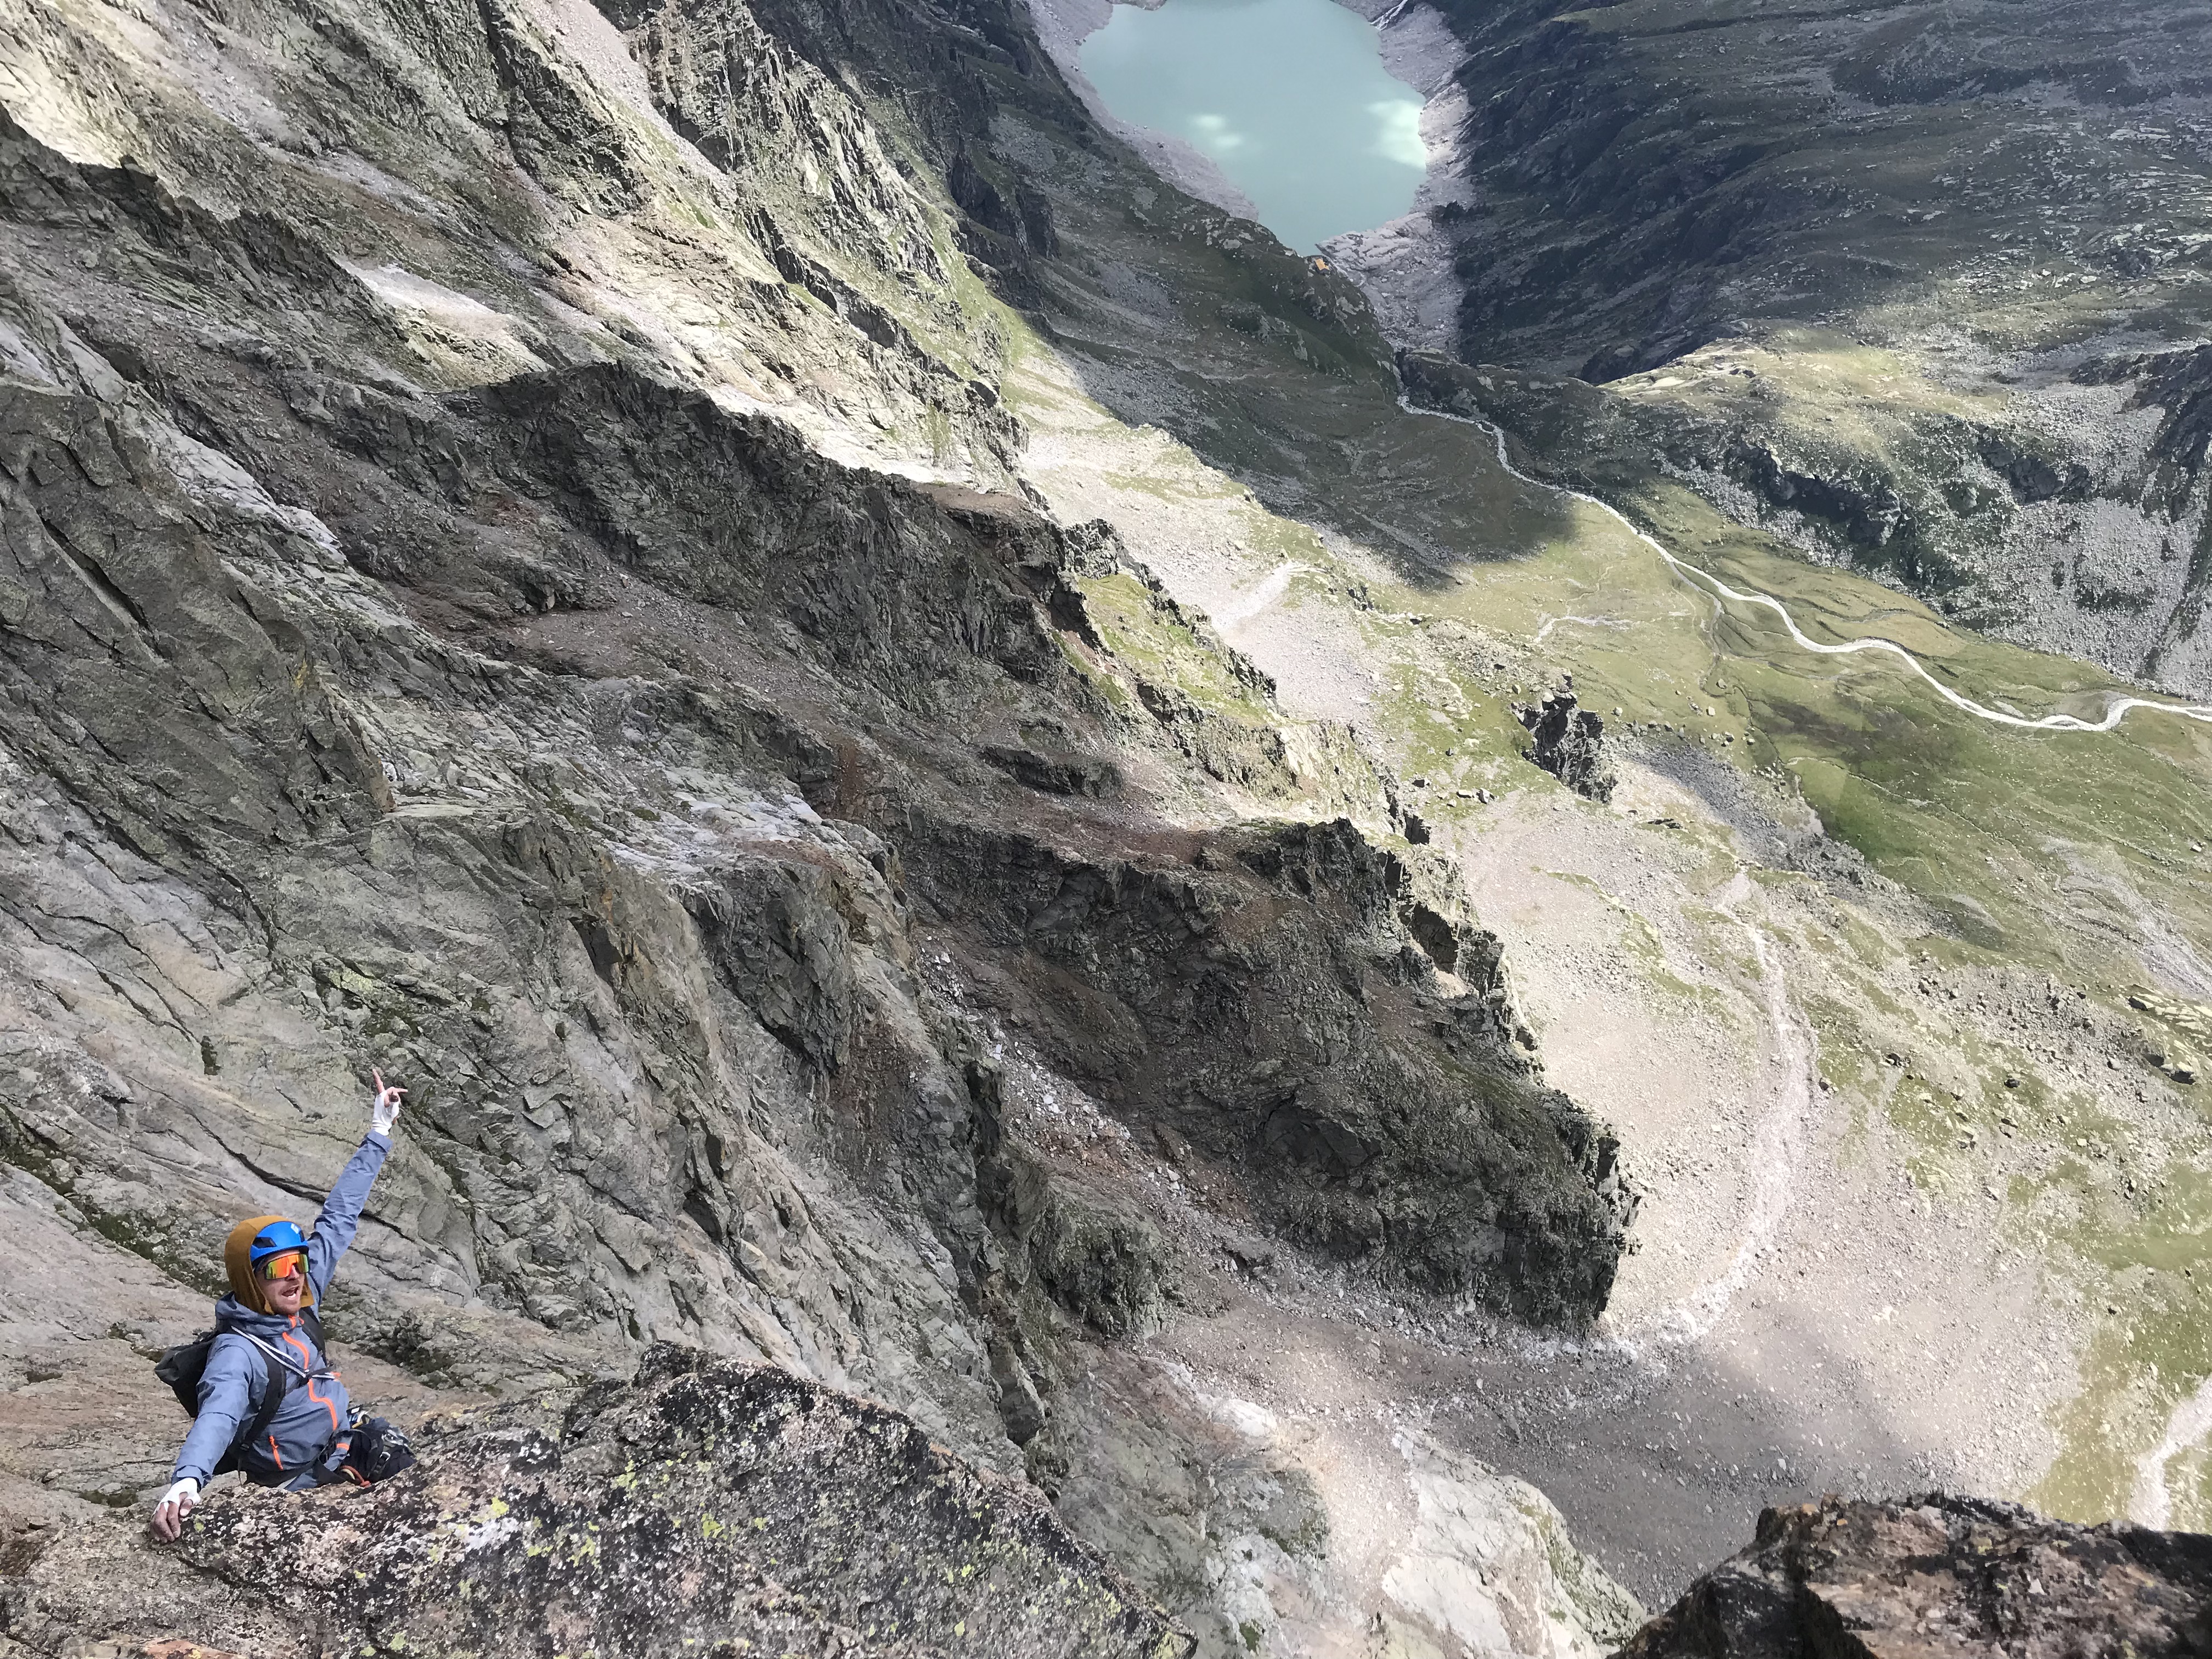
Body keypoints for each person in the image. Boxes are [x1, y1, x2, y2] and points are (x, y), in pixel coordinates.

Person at [150, 1069, 409, 1541]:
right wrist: (186, 1481)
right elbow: (219, 1417)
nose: (293, 1274)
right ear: (251, 1281)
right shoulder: (237, 1354)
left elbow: (339, 1218)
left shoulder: (300, 1298)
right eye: (275, 1268)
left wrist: (380, 1131)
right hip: (302, 1483)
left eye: (298, 1261)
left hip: (344, 1444)